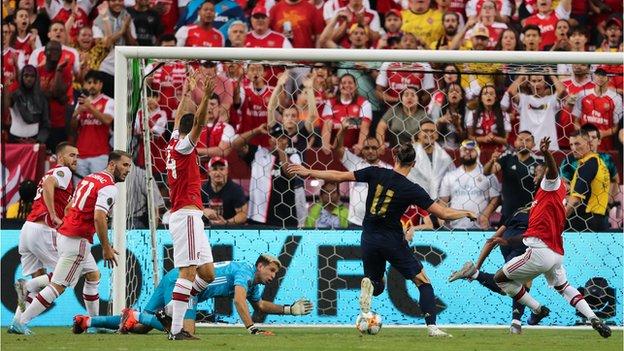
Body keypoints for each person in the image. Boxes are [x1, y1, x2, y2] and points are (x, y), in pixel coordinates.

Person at [287, 143, 477, 337]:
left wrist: (308, 171)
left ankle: (369, 283)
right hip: (392, 239)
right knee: (423, 281)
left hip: (368, 236)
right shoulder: (412, 188)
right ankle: (432, 328)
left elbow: (339, 175)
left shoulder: (375, 173)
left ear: (394, 157)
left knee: (377, 285)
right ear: (413, 163)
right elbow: (443, 214)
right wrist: (466, 212)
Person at [491, 137, 612, 339]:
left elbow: (553, 171)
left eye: (540, 171)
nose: (537, 174)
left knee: (500, 279)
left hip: (540, 252)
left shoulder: (551, 187)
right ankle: (593, 318)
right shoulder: (544, 199)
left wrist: (547, 153)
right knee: (564, 288)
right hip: (555, 254)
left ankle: (537, 309)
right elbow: (532, 232)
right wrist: (506, 241)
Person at [10, 150, 132, 335]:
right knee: (59, 285)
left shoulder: (89, 178)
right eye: (124, 165)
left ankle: (94, 323)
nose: (128, 170)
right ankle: (22, 318)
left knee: (93, 275)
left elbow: (68, 207)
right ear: (112, 164)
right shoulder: (109, 187)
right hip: (77, 239)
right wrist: (106, 248)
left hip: (65, 233)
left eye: (129, 166)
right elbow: (99, 217)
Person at [72, 255, 313, 335]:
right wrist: (251, 327)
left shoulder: (252, 282)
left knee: (142, 327)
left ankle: (88, 321)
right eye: (271, 270)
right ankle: (137, 314)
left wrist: (288, 309)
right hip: (186, 284)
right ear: (260, 266)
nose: (273, 275)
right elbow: (239, 301)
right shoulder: (245, 272)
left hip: (175, 277)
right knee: (183, 331)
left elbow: (258, 303)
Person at [165, 74, 216, 340]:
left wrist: (187, 93)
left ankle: (171, 309)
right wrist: (205, 96)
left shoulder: (173, 141)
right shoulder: (184, 147)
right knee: (188, 271)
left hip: (188, 214)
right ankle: (176, 329)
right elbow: (197, 122)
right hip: (186, 213)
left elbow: (180, 119)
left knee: (207, 273)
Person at [9, 143, 79, 334]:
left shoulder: (55, 174)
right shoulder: (63, 171)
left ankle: (17, 322)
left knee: (40, 279)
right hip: (43, 230)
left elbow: (49, 186)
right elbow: (49, 184)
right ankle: (27, 285)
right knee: (66, 276)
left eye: (77, 156)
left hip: (27, 229)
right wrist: (54, 215)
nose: (75, 159)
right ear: (61, 158)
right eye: (71, 155)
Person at [448, 205, 534, 334]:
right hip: (523, 239)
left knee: (513, 284)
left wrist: (478, 264)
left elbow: (492, 240)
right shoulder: (544, 209)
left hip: (506, 239)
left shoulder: (518, 211)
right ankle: (516, 323)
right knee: (514, 285)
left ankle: (516, 324)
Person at [335, 121, 391, 228]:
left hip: (379, 224)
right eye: (366, 148)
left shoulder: (388, 169)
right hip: (355, 223)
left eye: (374, 148)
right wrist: (342, 130)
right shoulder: (355, 163)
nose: (370, 151)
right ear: (362, 150)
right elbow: (337, 148)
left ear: (380, 150)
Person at [439, 139, 501, 229]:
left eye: (472, 150)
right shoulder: (450, 176)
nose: (468, 152)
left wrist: (485, 215)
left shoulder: (487, 175)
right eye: (464, 150)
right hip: (455, 227)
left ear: (478, 152)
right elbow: (443, 201)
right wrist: (442, 220)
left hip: (480, 227)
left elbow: (496, 198)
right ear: (460, 152)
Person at [483, 130, 542, 223]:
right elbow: (488, 172)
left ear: (534, 145)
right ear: (515, 143)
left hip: (529, 214)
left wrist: (540, 175)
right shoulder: (507, 157)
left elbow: (544, 173)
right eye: (521, 139)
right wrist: (491, 161)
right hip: (507, 213)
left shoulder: (538, 161)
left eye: (527, 140)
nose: (523, 142)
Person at [566, 130, 611, 232]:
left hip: (586, 221)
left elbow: (575, 201)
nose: (573, 148)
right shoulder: (599, 162)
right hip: (600, 219)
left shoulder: (587, 165)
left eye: (577, 143)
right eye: (571, 144)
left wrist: (559, 220)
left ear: (588, 143)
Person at [72, 70, 114, 179]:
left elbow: (107, 120)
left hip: (100, 155)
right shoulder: (81, 103)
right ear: (85, 85)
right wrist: (76, 113)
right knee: (81, 191)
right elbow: (72, 129)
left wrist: (89, 107)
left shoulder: (109, 101)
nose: (92, 86)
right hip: (80, 155)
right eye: (89, 83)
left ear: (101, 85)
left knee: (99, 190)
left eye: (95, 83)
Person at [406, 120, 454, 200]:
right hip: (414, 201)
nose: (429, 134)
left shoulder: (445, 157)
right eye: (425, 131)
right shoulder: (409, 153)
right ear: (418, 135)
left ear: (437, 135)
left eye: (432, 131)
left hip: (440, 204)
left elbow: (452, 180)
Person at [4, 64, 50, 144]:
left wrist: (38, 141)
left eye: (32, 76)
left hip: (35, 140)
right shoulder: (14, 95)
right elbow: (4, 108)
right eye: (26, 76)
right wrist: (6, 88)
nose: (29, 79)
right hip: (15, 140)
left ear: (36, 78)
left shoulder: (42, 97)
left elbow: (46, 123)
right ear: (21, 77)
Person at [200, 157, 248, 226]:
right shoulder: (203, 189)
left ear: (227, 171)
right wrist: (203, 211)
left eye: (221, 169)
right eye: (214, 169)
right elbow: (193, 208)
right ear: (209, 172)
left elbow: (243, 215)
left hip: (231, 229)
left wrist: (226, 223)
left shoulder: (236, 190)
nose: (218, 173)